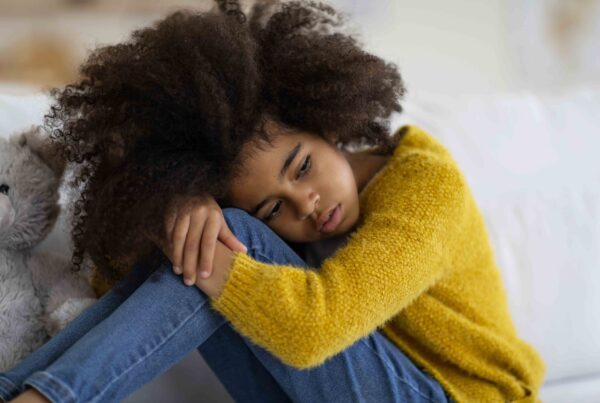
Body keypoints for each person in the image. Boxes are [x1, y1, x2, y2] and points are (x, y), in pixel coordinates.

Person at [0, 1, 546, 402]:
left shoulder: (427, 188)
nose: (306, 205)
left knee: (234, 242)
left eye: (302, 166)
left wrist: (215, 243)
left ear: (325, 120)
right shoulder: (277, 219)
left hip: (460, 396)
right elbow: (117, 284)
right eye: (273, 208)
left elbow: (314, 330)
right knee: (214, 245)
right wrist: (178, 213)